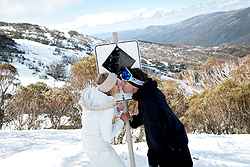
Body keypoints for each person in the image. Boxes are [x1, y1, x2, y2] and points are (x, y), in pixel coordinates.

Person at [120, 67, 193, 167]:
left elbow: (155, 131)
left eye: (125, 83)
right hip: (174, 147)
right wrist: (131, 120)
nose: (122, 85)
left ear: (134, 84)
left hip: (172, 152)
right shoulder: (148, 94)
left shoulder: (148, 100)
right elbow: (144, 116)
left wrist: (155, 159)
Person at [79, 72, 125, 167]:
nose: (119, 87)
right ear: (110, 86)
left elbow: (97, 115)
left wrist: (116, 110)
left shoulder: (93, 97)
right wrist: (121, 120)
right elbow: (108, 136)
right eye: (116, 83)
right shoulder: (106, 107)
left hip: (89, 144)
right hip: (100, 149)